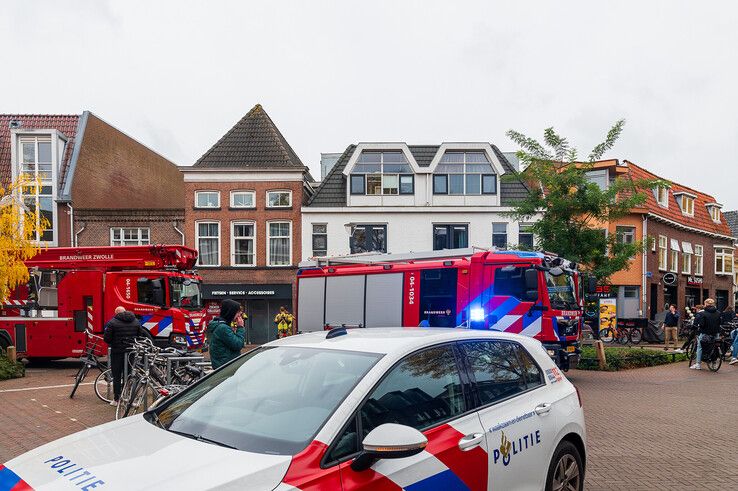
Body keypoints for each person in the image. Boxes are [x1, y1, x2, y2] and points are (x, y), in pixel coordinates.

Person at [103, 306, 146, 404]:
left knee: (117, 376)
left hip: (117, 353)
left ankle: (117, 399)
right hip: (131, 352)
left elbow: (107, 339)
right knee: (130, 375)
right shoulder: (135, 321)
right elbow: (140, 336)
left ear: (116, 313)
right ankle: (129, 397)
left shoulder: (112, 323)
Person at [207, 299, 245, 369]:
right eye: (237, 313)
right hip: (225, 367)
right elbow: (238, 344)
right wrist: (240, 327)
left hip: (224, 365)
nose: (239, 315)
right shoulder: (223, 328)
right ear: (231, 312)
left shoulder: (221, 325)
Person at [690, 299, 721, 370]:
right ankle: (714, 362)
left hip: (705, 333)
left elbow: (702, 324)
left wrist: (698, 327)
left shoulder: (702, 313)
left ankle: (698, 364)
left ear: (706, 304)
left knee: (700, 347)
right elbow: (720, 322)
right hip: (716, 333)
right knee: (715, 347)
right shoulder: (718, 313)